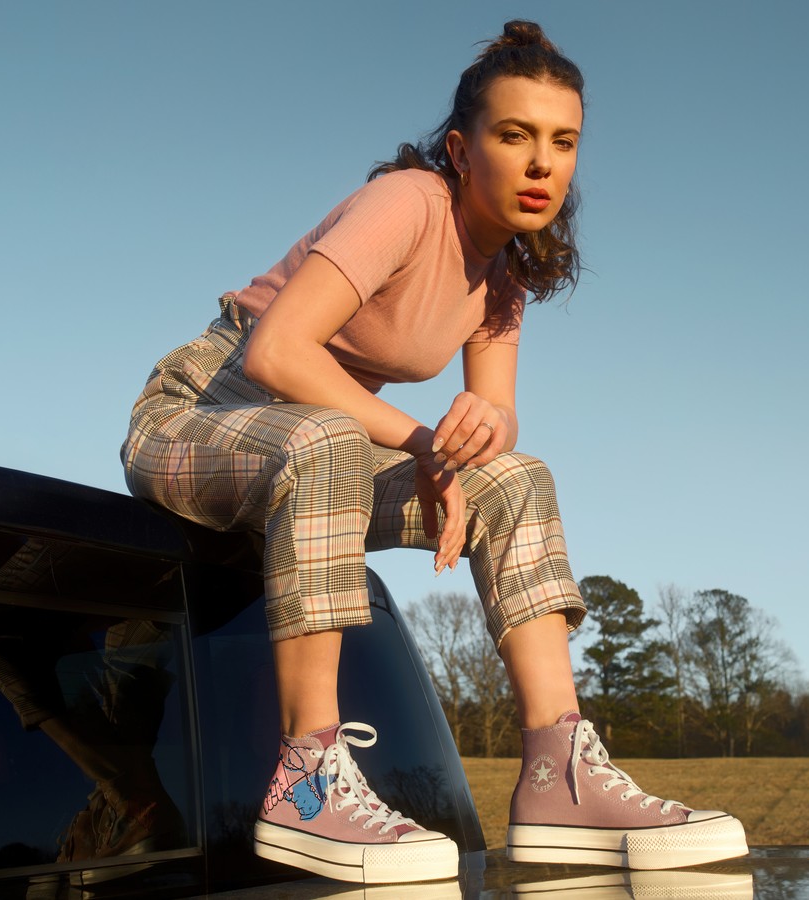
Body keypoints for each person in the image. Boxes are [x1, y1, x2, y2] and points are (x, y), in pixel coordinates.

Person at [121, 20, 747, 885]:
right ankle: (307, 781)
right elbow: (276, 356)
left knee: (514, 483)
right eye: (515, 135)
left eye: (563, 142)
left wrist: (474, 443)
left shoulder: (507, 272)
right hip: (199, 415)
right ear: (460, 147)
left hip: (315, 453)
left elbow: (498, 420)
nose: (542, 164)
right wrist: (423, 441)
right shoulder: (410, 202)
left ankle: (557, 772)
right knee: (332, 438)